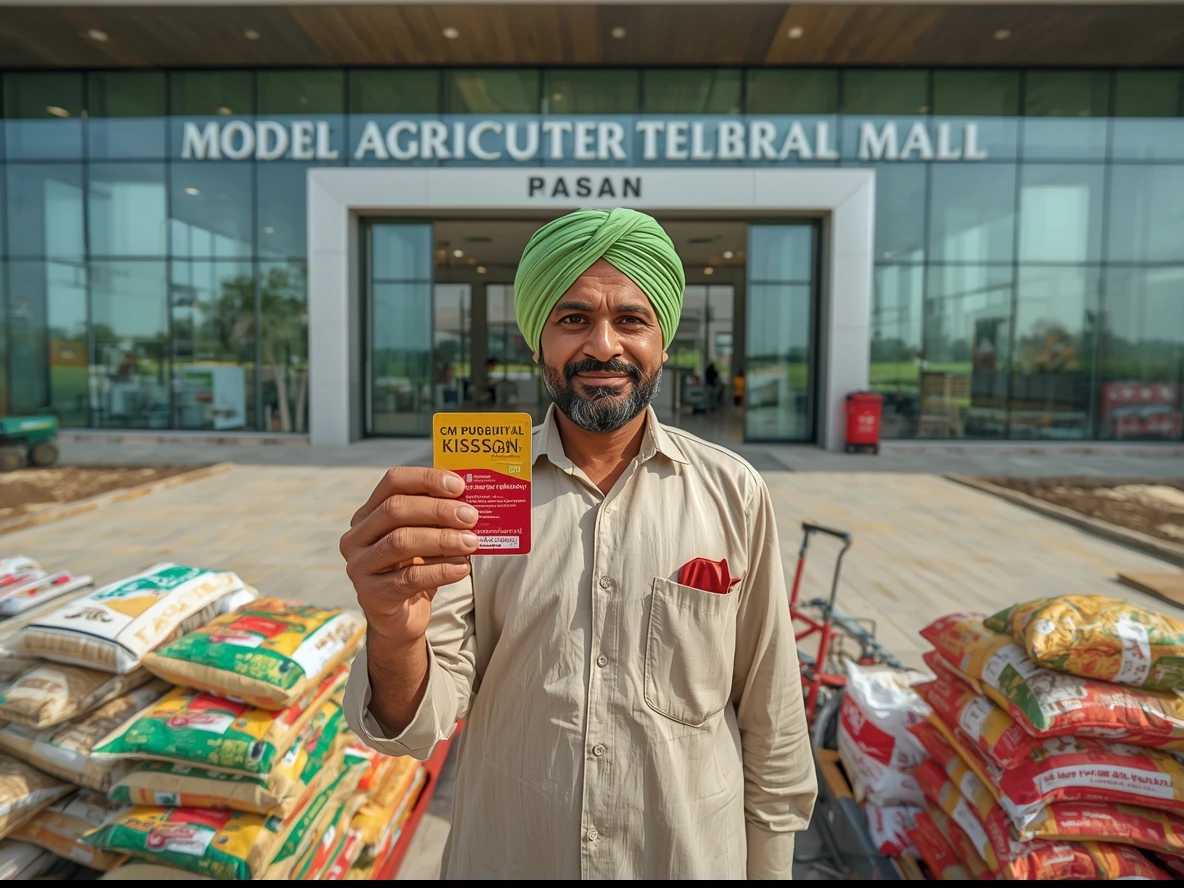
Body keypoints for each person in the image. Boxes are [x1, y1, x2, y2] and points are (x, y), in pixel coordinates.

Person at [341, 208, 816, 879]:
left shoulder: (732, 492)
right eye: (573, 319)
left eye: (631, 319)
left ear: (663, 340)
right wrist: (395, 634)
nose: (603, 346)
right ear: (537, 342)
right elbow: (416, 725)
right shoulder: (477, 492)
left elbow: (772, 714)